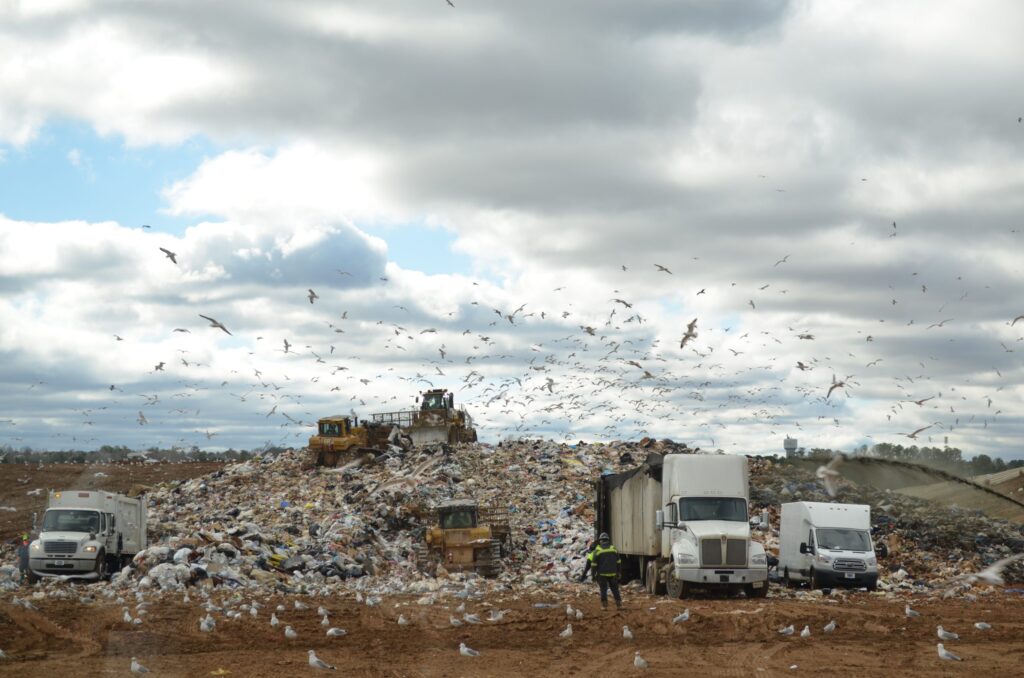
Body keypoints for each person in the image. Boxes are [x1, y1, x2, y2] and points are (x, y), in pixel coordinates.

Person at [586, 532, 622, 610]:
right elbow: (618, 561)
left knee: (603, 589)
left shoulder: (597, 550)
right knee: (615, 589)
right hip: (613, 573)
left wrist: (593, 575)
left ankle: (604, 606)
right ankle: (619, 605)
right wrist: (618, 572)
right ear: (608, 540)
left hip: (602, 574)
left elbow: (594, 565)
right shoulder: (613, 549)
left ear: (600, 541)